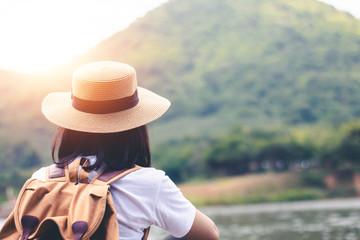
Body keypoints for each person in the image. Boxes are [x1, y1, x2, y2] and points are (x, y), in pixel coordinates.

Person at [32, 61, 219, 240]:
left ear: (69, 126)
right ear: (135, 128)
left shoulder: (41, 179)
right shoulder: (149, 183)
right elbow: (210, 234)